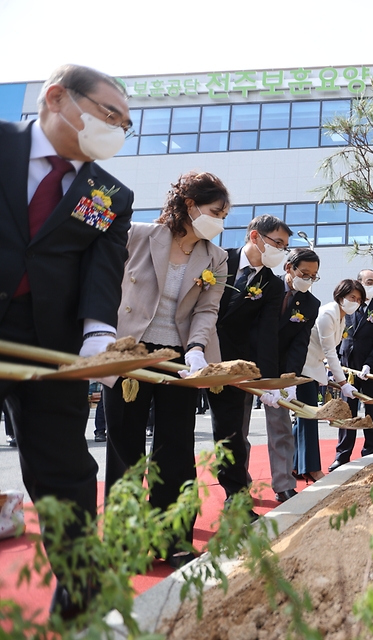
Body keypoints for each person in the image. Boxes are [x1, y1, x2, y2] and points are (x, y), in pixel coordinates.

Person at [0, 64, 134, 617]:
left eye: (126, 124)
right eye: (110, 115)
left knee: (64, 467)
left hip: (49, 342)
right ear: (57, 97)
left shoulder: (107, 193)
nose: (118, 130)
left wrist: (98, 336)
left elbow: (103, 272)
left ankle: (81, 596)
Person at [101, 171, 230, 569]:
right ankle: (123, 539)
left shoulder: (216, 257)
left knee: (175, 448)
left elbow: (207, 309)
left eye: (225, 213)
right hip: (130, 353)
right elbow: (105, 282)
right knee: (125, 448)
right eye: (216, 210)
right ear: (190, 206)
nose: (221, 219)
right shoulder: (138, 235)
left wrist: (195, 349)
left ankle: (174, 537)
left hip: (179, 360)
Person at [208, 215, 288, 509]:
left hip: (232, 366)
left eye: (285, 246)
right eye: (277, 243)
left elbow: (267, 336)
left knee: (232, 435)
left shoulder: (272, 285)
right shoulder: (218, 259)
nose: (281, 250)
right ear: (255, 237)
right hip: (191, 351)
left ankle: (237, 501)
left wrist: (267, 380)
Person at [262, 248, 320, 502]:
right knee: (237, 428)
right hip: (249, 365)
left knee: (282, 427)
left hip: (280, 373)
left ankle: (284, 484)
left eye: (313, 276)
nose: (307, 279)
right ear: (289, 268)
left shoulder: (311, 304)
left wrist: (290, 379)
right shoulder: (265, 286)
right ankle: (236, 488)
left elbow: (300, 344)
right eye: (304, 273)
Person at [328, 270, 373, 471]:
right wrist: (335, 363)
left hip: (370, 369)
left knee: (372, 411)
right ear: (359, 283)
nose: (372, 285)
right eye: (369, 282)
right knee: (347, 412)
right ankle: (342, 454)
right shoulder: (347, 307)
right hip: (347, 367)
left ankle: (370, 452)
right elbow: (337, 337)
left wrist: (369, 364)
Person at [299, 280, 360, 479]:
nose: (355, 302)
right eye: (352, 297)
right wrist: (343, 383)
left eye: (359, 299)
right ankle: (312, 468)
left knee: (303, 418)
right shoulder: (328, 313)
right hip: (304, 368)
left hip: (315, 368)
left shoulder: (341, 318)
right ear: (340, 296)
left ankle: (294, 465)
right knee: (309, 418)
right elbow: (330, 352)